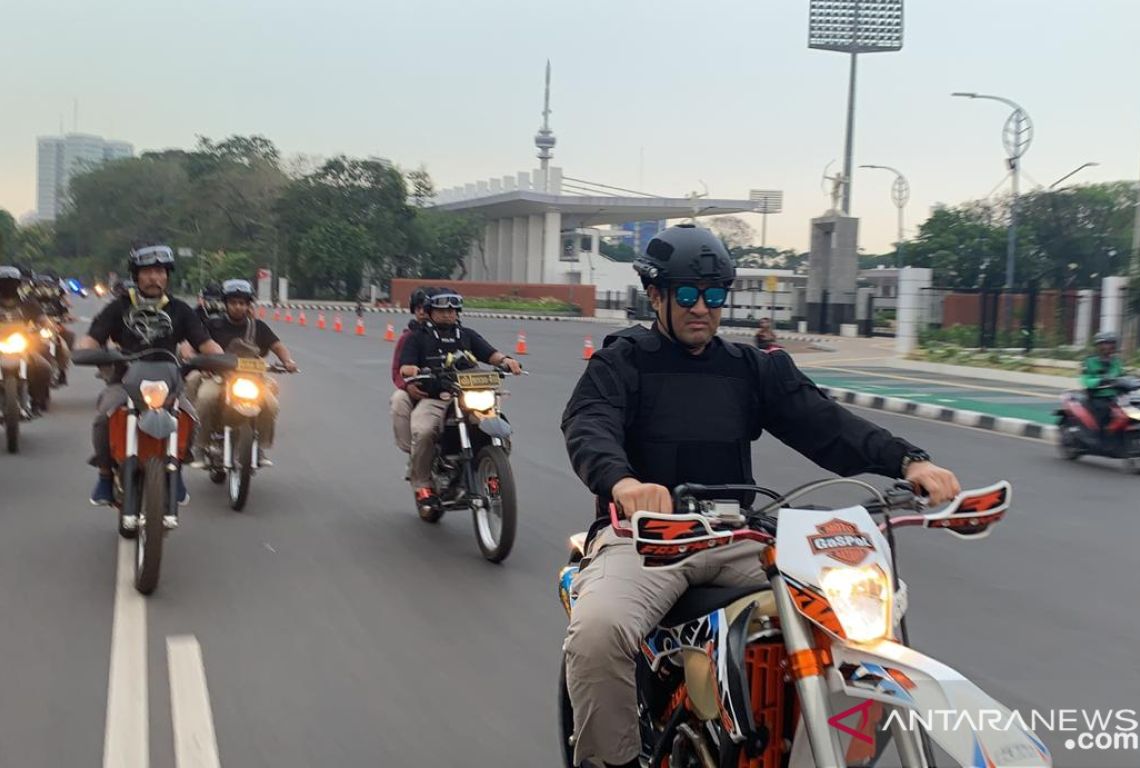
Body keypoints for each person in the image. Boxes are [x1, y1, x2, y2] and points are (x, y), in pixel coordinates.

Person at [559, 224, 961, 768]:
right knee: (597, 631)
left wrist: (910, 462)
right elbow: (590, 424)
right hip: (646, 540)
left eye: (714, 294)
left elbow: (826, 425)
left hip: (738, 537)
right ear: (656, 295)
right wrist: (624, 483)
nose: (702, 307)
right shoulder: (623, 362)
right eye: (686, 294)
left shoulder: (751, 369)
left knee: (866, 601)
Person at [78, 244, 223, 507]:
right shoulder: (118, 308)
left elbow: (205, 343)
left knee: (191, 417)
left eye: (160, 271)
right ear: (136, 276)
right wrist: (86, 352)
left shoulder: (180, 309)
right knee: (102, 418)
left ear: (168, 276)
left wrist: (220, 358)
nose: (155, 278)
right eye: (147, 272)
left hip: (169, 383)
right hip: (124, 382)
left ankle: (176, 468)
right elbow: (91, 339)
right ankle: (105, 476)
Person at [397, 289, 522, 510]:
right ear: (430, 311)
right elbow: (404, 366)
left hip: (469, 397)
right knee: (424, 431)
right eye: (442, 310)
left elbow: (490, 354)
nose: (448, 314)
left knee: (500, 430)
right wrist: (412, 369)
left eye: (452, 310)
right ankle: (422, 484)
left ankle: (491, 476)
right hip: (436, 398)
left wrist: (506, 360)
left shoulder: (467, 335)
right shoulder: (417, 337)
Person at [186, 279, 297, 470]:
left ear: (248, 305)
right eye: (234, 302)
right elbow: (189, 346)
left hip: (253, 379)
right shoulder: (213, 324)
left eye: (243, 303)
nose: (238, 307)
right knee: (205, 398)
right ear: (226, 303)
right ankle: (200, 446)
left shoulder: (258, 327)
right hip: (219, 377)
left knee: (271, 405)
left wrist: (288, 361)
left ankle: (259, 448)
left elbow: (278, 346)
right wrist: (195, 359)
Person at [389, 286, 437, 460]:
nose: (423, 312)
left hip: (449, 388)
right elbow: (397, 371)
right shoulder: (409, 337)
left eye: (427, 307)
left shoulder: (456, 333)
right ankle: (414, 454)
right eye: (419, 308)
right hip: (421, 389)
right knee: (398, 399)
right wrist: (407, 385)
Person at [0, 266, 54, 415]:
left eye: (11, 283)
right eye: (4, 282)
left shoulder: (28, 303)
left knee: (44, 368)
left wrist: (45, 327)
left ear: (18, 284)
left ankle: (37, 402)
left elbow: (43, 320)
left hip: (23, 347)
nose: (7, 286)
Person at [1082, 331, 1123, 433]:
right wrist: (1099, 381)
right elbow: (1085, 379)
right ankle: (1098, 436)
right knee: (1104, 410)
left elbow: (1122, 375)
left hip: (1115, 396)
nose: (1109, 346)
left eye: (1112, 343)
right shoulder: (1090, 361)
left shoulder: (1116, 361)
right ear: (1099, 345)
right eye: (1106, 343)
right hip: (1098, 397)